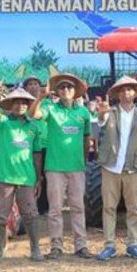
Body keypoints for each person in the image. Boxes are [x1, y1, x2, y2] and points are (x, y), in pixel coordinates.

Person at [29, 73, 93, 259]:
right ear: (57, 91)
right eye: (62, 87)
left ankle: (81, 245)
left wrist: (82, 160)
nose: (66, 90)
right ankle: (56, 246)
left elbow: (86, 139)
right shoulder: (50, 109)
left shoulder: (83, 112)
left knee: (78, 207)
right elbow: (33, 114)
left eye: (69, 87)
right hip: (55, 167)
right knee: (55, 208)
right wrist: (40, 97)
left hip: (76, 168)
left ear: (75, 92)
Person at [94, 76, 137, 261]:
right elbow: (101, 121)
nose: (126, 93)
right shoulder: (109, 112)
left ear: (135, 93)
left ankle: (132, 244)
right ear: (117, 94)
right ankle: (109, 245)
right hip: (111, 167)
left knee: (133, 207)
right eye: (122, 90)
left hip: (134, 168)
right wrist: (101, 113)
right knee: (109, 207)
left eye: (130, 89)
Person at [0, 82, 44, 262]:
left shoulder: (34, 126)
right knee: (1, 216)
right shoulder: (3, 123)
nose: (21, 105)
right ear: (10, 105)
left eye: (24, 103)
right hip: (4, 176)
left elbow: (36, 155)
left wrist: (38, 177)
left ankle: (35, 249)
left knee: (31, 214)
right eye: (17, 102)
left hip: (27, 177)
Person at [22, 76, 49, 215]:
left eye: (36, 84)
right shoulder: (22, 104)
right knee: (31, 175)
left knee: (45, 176)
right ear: (25, 88)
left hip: (46, 145)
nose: (33, 86)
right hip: (27, 146)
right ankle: (30, 205)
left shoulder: (48, 104)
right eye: (30, 84)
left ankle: (44, 206)